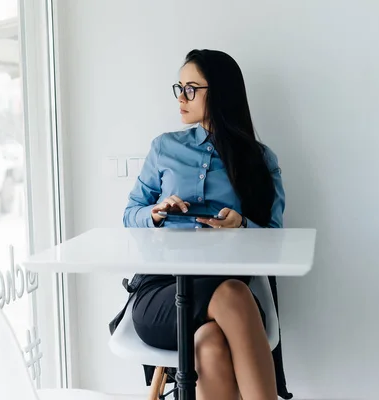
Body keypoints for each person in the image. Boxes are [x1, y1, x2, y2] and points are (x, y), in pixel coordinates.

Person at [122, 49, 285, 400]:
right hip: (162, 292)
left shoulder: (260, 160)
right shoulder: (165, 147)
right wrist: (156, 212)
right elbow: (129, 213)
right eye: (179, 88)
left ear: (221, 93)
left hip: (227, 288)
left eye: (192, 88)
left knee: (209, 342)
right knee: (233, 294)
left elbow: (277, 240)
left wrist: (242, 226)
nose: (181, 98)